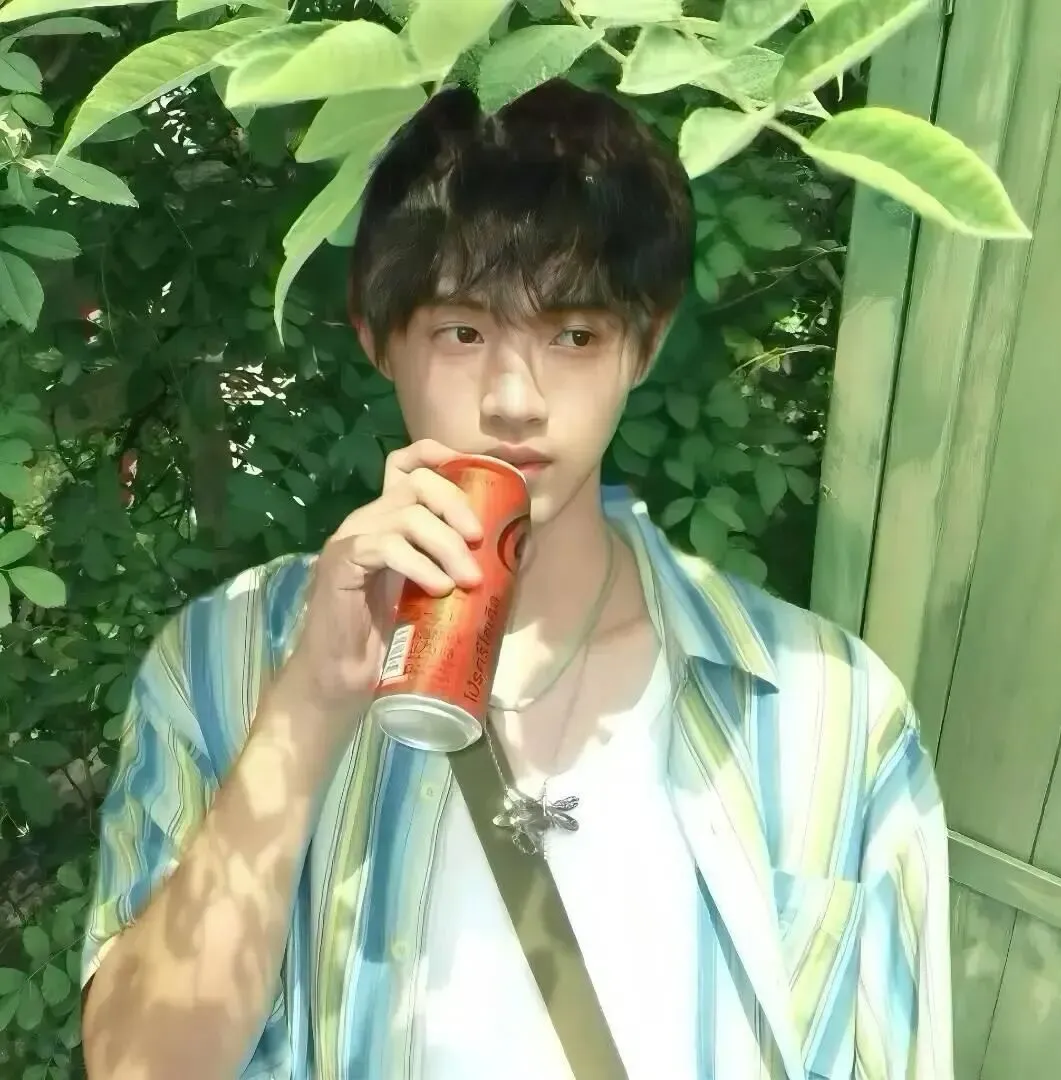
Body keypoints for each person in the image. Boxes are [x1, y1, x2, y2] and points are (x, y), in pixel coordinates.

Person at [80, 80, 953, 1080]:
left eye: (573, 335)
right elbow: (138, 1069)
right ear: (377, 337)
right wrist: (308, 705)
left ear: (645, 344)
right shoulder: (224, 660)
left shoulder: (828, 710)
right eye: (463, 332)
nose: (514, 399)